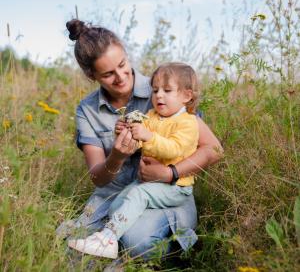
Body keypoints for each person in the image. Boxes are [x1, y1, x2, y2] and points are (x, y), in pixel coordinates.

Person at [57, 19, 223, 260]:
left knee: (137, 242)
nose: (121, 77)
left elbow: (213, 148)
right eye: (108, 74)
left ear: (126, 53)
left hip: (166, 191)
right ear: (91, 75)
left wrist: (170, 173)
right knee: (69, 244)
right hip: (114, 195)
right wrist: (117, 156)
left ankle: (169, 251)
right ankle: (112, 247)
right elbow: (97, 177)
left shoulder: (163, 88)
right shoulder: (88, 110)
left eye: (123, 65)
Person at [68, 62, 200, 258]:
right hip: (148, 182)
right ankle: (113, 234)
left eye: (167, 90)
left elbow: (175, 149)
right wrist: (126, 133)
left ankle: (108, 239)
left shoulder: (188, 122)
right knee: (116, 206)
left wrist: (148, 136)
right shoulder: (153, 116)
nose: (158, 96)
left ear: (186, 96)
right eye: (155, 90)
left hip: (176, 187)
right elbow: (140, 142)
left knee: (138, 195)